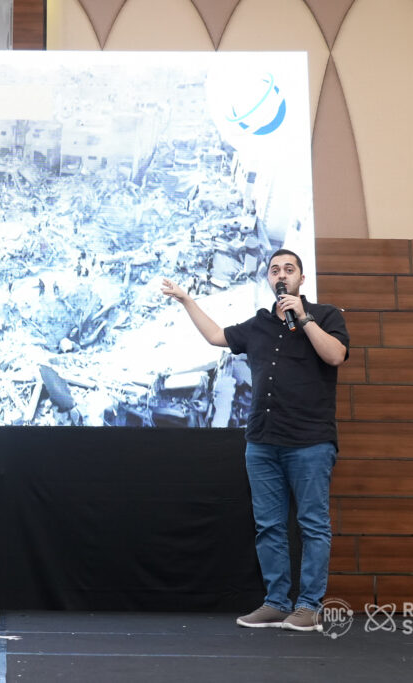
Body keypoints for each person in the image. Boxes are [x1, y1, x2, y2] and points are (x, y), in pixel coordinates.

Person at [161, 248, 349, 632]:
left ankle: (309, 606)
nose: (281, 274)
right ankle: (277, 603)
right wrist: (186, 300)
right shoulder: (259, 324)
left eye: (289, 269)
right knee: (269, 526)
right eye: (275, 270)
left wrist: (304, 318)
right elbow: (216, 336)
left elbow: (335, 356)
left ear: (301, 278)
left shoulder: (326, 315)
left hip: (310, 441)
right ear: (268, 279)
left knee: (313, 524)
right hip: (262, 442)